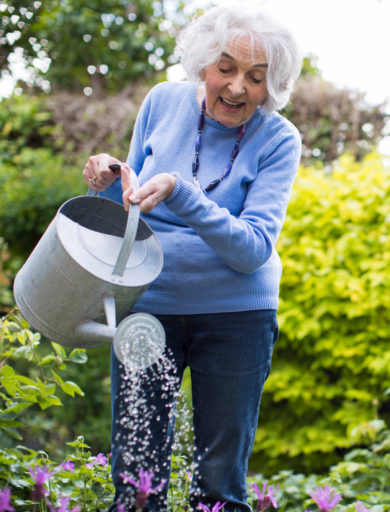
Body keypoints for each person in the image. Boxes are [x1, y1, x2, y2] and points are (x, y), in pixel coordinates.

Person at [81, 5, 302, 511]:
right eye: (226, 68)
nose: (238, 87)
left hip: (237, 317)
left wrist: (181, 192)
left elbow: (252, 249)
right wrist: (106, 177)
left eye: (257, 77)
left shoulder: (279, 140)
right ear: (203, 63)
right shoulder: (162, 102)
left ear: (273, 86)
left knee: (219, 486)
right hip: (148, 306)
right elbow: (130, 205)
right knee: (137, 481)